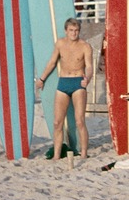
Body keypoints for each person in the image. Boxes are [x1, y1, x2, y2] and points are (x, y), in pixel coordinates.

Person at [35, 18, 93, 160]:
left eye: (76, 30)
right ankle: (56, 155)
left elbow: (90, 66)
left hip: (78, 82)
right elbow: (52, 62)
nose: (74, 33)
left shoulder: (85, 46)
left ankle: (84, 153)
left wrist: (88, 79)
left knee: (79, 120)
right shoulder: (60, 44)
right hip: (63, 82)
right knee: (57, 122)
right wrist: (42, 79)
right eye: (71, 30)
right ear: (66, 31)